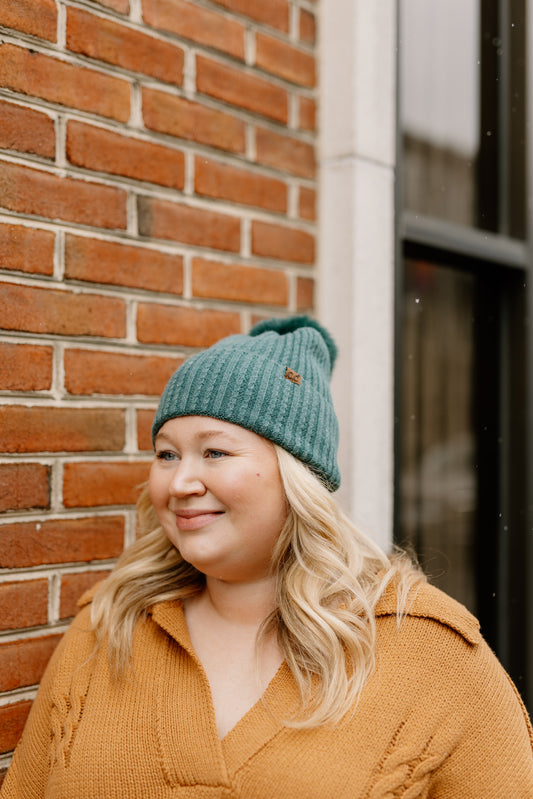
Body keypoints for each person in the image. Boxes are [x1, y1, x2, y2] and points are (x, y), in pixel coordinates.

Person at [1, 316, 532, 799]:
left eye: (215, 452)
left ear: (297, 476)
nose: (181, 482)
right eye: (167, 454)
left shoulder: (430, 654)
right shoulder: (108, 625)